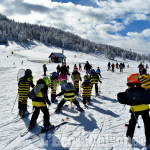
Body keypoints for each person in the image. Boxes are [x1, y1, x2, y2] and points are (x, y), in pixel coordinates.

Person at [118, 73, 150, 147]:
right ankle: (148, 139)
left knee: (132, 123)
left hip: (135, 110)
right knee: (147, 124)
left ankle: (129, 137)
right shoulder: (143, 87)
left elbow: (127, 99)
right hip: (145, 109)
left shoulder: (128, 90)